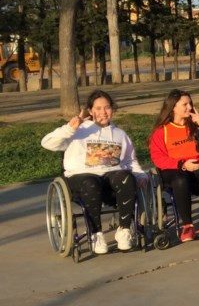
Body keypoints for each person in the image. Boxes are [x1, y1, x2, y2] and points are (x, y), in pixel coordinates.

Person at [41, 89, 145, 254]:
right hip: (81, 176)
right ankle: (96, 234)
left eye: (107, 107)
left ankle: (124, 230)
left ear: (112, 109)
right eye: (98, 108)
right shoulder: (79, 131)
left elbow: (129, 160)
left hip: (111, 176)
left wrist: (140, 175)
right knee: (90, 183)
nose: (103, 112)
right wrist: (69, 128)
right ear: (90, 111)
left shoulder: (120, 134)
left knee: (126, 178)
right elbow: (47, 143)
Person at [149, 90, 199, 242]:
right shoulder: (162, 131)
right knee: (180, 180)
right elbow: (158, 158)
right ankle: (187, 225)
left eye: (190, 103)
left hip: (197, 166)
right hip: (174, 169)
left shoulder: (195, 126)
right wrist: (182, 164)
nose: (189, 107)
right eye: (185, 104)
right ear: (173, 107)